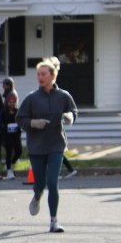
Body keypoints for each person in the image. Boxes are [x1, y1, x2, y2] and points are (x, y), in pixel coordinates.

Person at [17, 57, 77, 233]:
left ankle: (54, 221)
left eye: (43, 74)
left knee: (52, 182)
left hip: (56, 144)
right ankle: (37, 195)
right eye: (38, 74)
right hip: (36, 146)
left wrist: (69, 117)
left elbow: (73, 110)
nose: (40, 77)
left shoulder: (63, 96)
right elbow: (20, 119)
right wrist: (33, 123)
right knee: (40, 184)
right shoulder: (32, 98)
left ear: (53, 75)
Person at [2, 93, 22, 180]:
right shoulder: (4, 112)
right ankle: (9, 169)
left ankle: (12, 163)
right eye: (10, 102)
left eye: (13, 102)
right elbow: (2, 123)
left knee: (19, 151)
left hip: (16, 134)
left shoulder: (17, 111)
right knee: (9, 152)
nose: (12, 104)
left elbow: (20, 121)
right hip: (7, 135)